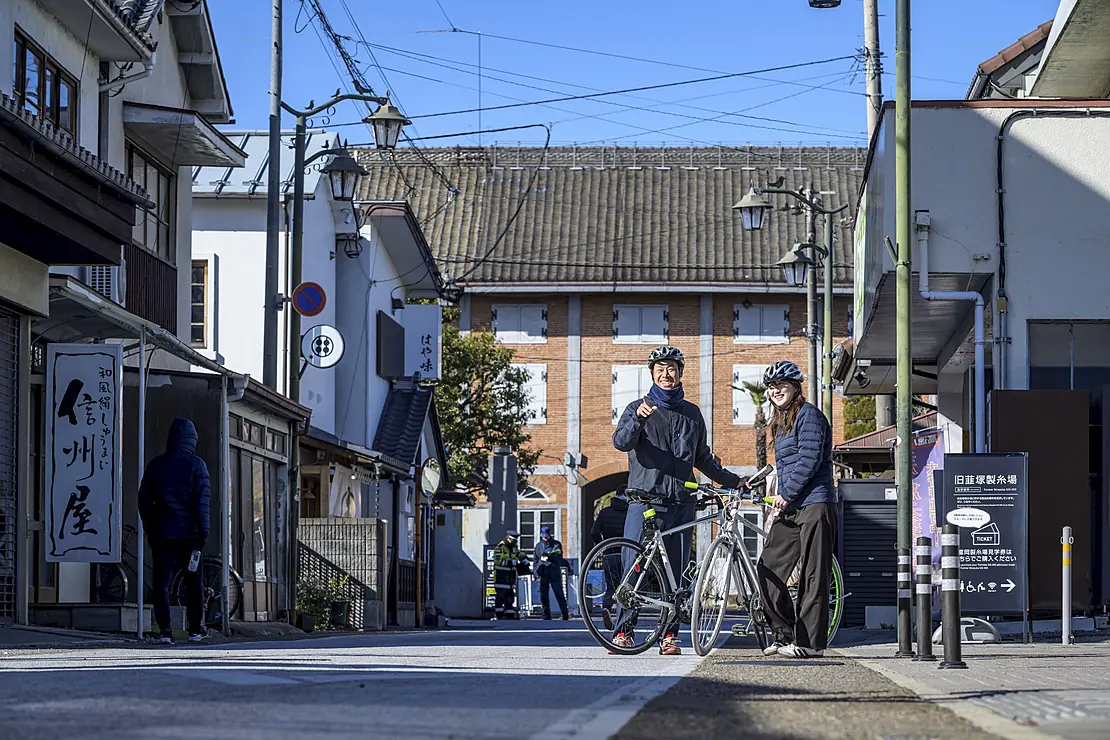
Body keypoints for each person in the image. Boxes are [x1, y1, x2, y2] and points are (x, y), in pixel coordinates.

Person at [612, 345, 744, 655]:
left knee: (676, 573)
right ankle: (624, 630)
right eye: (660, 369)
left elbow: (703, 458)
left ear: (680, 373)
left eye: (671, 368)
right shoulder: (637, 407)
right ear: (652, 374)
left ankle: (669, 635)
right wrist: (638, 420)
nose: (666, 374)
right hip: (644, 501)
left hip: (681, 504)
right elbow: (621, 442)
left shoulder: (692, 414)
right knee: (634, 567)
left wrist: (733, 480)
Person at [756, 360, 836, 659]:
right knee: (768, 568)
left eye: (781, 385)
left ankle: (810, 644)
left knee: (813, 575)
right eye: (771, 386)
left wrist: (786, 494)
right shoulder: (780, 421)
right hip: (791, 507)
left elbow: (810, 459)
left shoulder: (809, 416)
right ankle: (784, 634)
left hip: (815, 503)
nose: (776, 390)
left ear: (795, 387)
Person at [138, 418, 211, 645]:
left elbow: (143, 501)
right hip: (190, 535)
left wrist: (150, 528)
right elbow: (202, 503)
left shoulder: (156, 465)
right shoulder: (197, 465)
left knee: (161, 584)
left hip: (163, 534)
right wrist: (203, 533)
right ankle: (195, 630)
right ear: (192, 440)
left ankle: (165, 631)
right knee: (193, 583)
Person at [591, 487, 630, 616]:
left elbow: (594, 533)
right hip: (627, 553)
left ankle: (606, 607)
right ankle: (623, 616)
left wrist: (603, 547)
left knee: (611, 585)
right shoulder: (630, 512)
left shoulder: (604, 512)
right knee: (628, 587)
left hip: (610, 554)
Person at [533, 525, 571, 620]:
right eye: (544, 536)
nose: (545, 538)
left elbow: (559, 556)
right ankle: (546, 615)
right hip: (543, 573)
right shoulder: (538, 546)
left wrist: (550, 555)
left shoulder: (556, 544)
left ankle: (565, 614)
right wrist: (535, 573)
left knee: (559, 594)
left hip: (554, 572)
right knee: (543, 596)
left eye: (547, 536)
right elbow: (535, 560)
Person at [492, 529, 527, 620]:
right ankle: (499, 615)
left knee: (510, 597)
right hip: (501, 578)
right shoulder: (500, 548)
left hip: (510, 578)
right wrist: (511, 562)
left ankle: (510, 615)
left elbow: (519, 554)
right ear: (508, 538)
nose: (515, 542)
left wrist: (524, 559)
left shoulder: (514, 547)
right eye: (513, 540)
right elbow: (499, 561)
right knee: (500, 597)